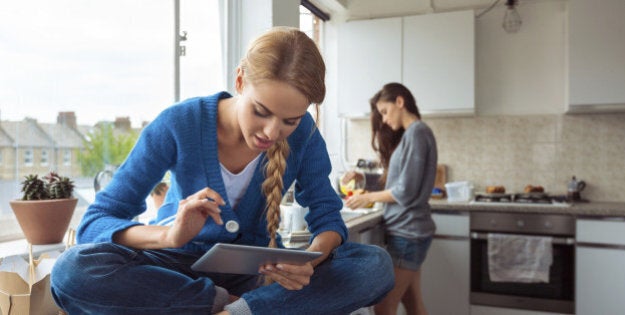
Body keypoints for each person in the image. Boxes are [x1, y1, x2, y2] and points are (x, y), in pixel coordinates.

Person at [50, 27, 394, 315]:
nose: (272, 133)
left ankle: (239, 311)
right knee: (71, 271)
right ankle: (223, 305)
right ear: (240, 80)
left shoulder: (304, 136)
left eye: (290, 120)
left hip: (253, 277)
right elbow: (96, 222)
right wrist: (170, 237)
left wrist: (308, 261)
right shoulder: (179, 123)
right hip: (172, 269)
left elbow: (328, 218)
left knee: (373, 265)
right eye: (261, 111)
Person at [344, 83, 437, 315]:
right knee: (413, 303)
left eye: (384, 111)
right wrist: (363, 176)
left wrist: (368, 198)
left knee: (384, 308)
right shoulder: (413, 134)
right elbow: (398, 180)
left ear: (400, 102)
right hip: (411, 232)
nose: (383, 120)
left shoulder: (417, 132)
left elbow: (405, 191)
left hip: (408, 234)